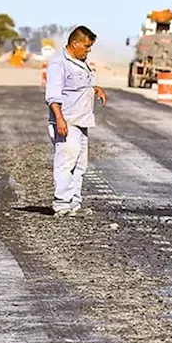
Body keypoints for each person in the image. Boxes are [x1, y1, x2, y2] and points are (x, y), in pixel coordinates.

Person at [44, 25, 107, 217]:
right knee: (66, 163)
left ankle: (74, 204)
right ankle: (62, 204)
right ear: (75, 43)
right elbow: (53, 97)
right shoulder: (58, 63)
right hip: (67, 121)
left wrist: (96, 89)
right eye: (86, 47)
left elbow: (79, 85)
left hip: (82, 121)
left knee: (80, 165)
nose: (88, 50)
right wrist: (60, 120)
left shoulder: (79, 61)